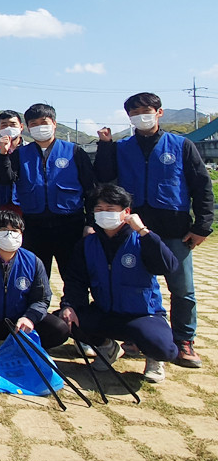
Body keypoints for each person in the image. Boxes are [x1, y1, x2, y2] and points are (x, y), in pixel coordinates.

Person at [93, 92, 213, 368]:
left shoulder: (181, 145)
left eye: (146, 111)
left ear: (159, 112)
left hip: (174, 229)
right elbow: (104, 177)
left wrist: (202, 226)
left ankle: (184, 340)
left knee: (182, 288)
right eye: (134, 113)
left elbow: (202, 187)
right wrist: (105, 146)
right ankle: (136, 337)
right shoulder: (122, 147)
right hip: (132, 230)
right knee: (134, 285)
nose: (141, 116)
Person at [59, 185, 180, 383]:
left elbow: (168, 266)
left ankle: (154, 359)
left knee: (163, 348)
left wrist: (143, 231)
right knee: (64, 321)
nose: (104, 213)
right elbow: (75, 280)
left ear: (126, 212)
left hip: (141, 314)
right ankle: (108, 347)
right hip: (105, 312)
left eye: (110, 209)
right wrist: (69, 305)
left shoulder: (141, 239)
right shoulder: (88, 244)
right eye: (99, 209)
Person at [0, 209, 70, 369]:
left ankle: (25, 348)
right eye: (3, 230)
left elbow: (42, 298)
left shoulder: (32, 261)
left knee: (59, 329)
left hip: (19, 321)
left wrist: (29, 317)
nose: (10, 235)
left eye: (15, 230)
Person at [0, 103, 95, 281]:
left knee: (74, 273)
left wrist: (90, 222)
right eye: (34, 124)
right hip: (34, 224)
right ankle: (40, 300)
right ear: (27, 128)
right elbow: (6, 179)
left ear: (54, 124)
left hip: (70, 223)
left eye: (44, 122)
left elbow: (90, 189)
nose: (39, 127)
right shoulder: (20, 154)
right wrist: (4, 155)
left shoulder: (74, 151)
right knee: (36, 274)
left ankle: (73, 299)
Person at [0, 110, 23, 213]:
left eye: (13, 124)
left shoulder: (29, 151)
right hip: (0, 205)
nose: (8, 128)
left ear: (21, 127)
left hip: (26, 204)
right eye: (4, 125)